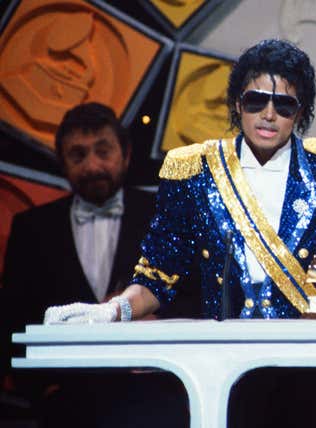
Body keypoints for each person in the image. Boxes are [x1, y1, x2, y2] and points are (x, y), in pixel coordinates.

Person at [44, 39, 316, 427]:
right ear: (237, 104)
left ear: (302, 112)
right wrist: (114, 310)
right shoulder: (194, 171)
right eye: (256, 100)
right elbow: (158, 276)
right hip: (220, 373)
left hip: (308, 371)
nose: (268, 114)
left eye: (284, 105)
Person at [1, 102, 189, 427]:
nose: (91, 166)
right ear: (62, 163)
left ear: (125, 155)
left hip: (156, 399)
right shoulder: (31, 228)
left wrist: (159, 321)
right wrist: (43, 391)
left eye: (103, 152)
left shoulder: (165, 217)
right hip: (66, 406)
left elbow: (194, 298)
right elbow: (13, 318)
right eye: (78, 155)